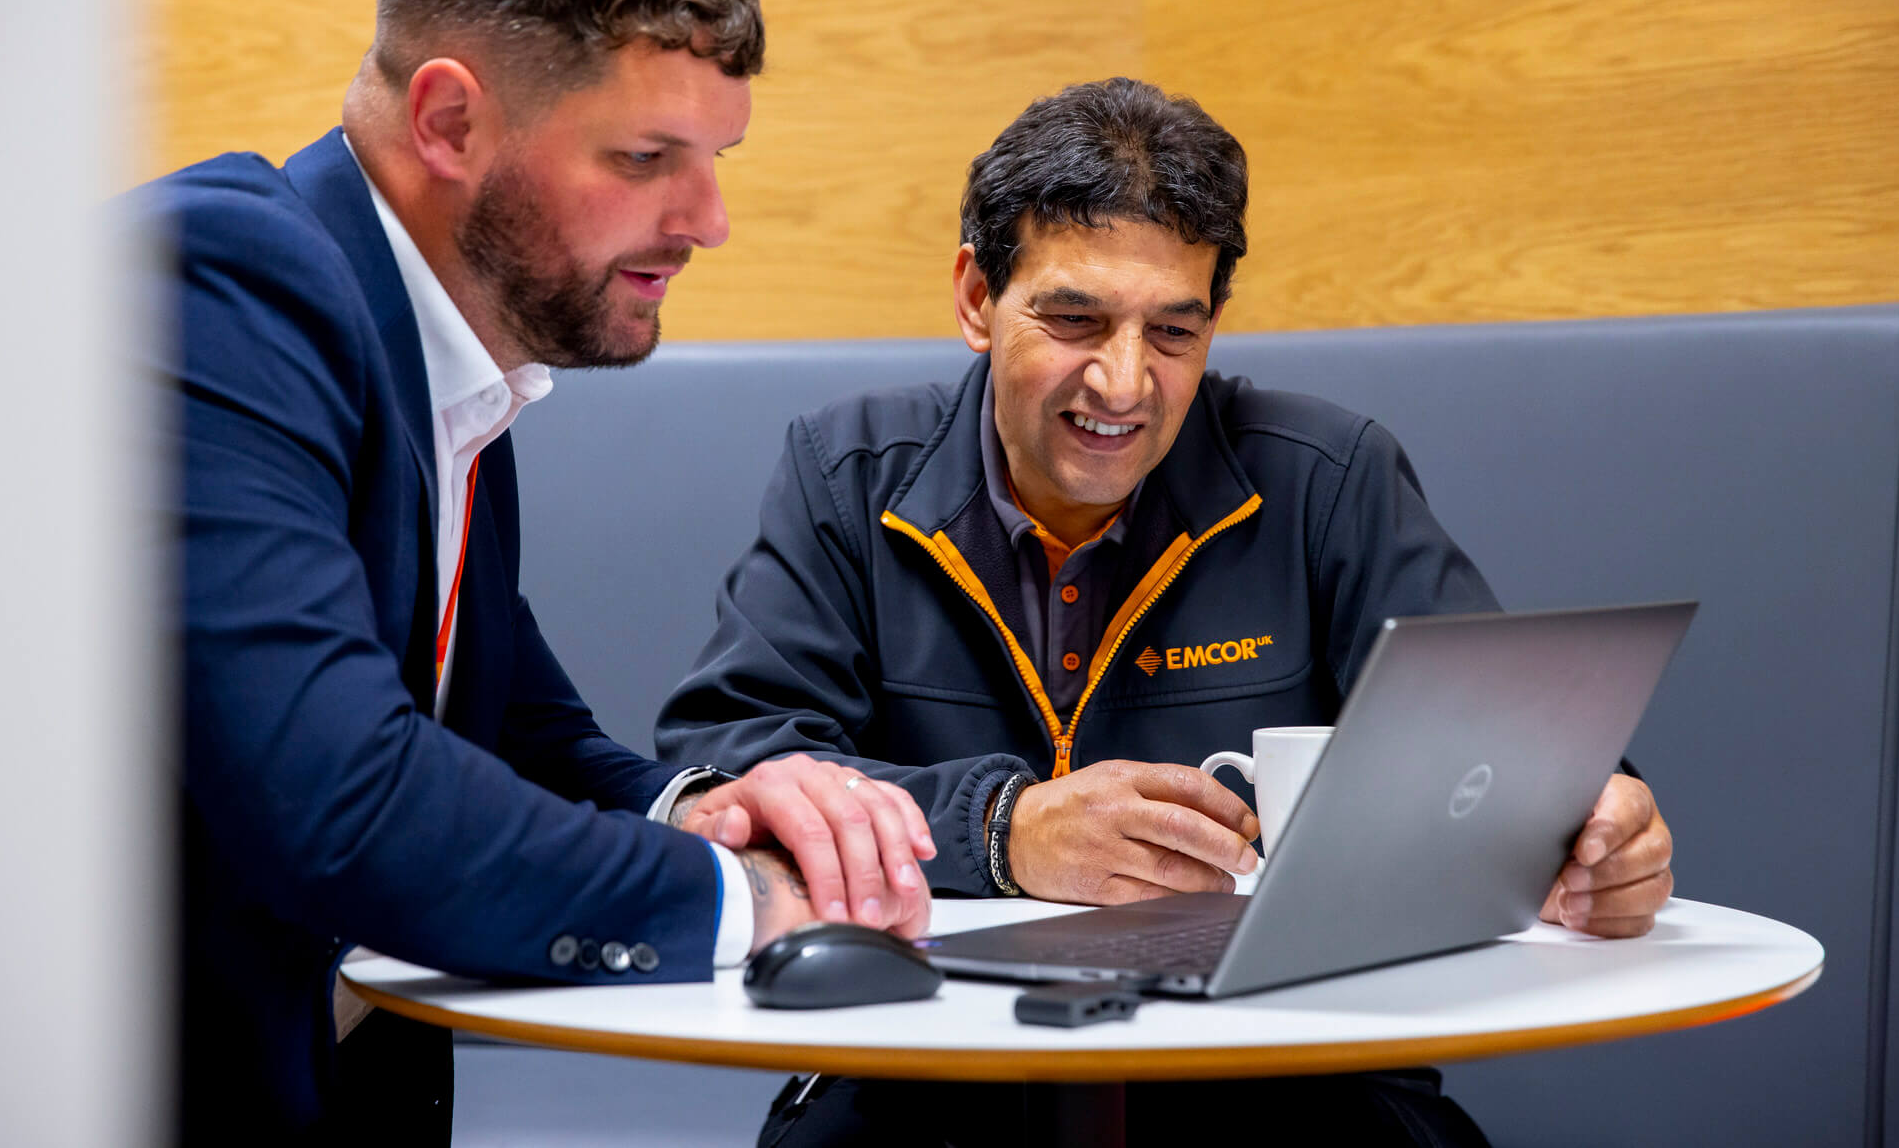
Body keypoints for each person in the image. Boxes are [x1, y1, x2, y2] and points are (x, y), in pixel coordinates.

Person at [657, 78, 1674, 1145]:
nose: (1123, 383)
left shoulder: (1326, 477)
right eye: (1073, 319)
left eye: (1173, 331)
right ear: (973, 297)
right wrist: (1001, 831)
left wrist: (1599, 828)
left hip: (1281, 1064)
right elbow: (732, 764)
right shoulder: (846, 474)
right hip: (926, 1065)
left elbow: (1513, 756)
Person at [139, 0, 934, 1144]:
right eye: (645, 157)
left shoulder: (448, 345)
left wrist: (698, 805)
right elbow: (341, 800)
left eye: (716, 156)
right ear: (450, 121)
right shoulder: (220, 284)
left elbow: (512, 730)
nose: (709, 218)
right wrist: (745, 901)